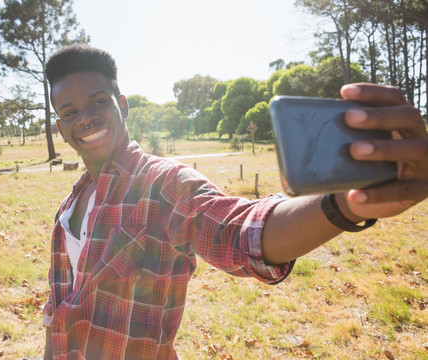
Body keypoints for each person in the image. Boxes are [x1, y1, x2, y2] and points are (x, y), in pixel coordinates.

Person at [42, 44, 428, 360]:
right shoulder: (69, 208)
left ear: (122, 105)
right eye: (71, 112)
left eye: (98, 102)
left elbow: (241, 232)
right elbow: (57, 313)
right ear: (60, 127)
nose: (87, 119)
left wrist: (342, 205)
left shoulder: (162, 184)